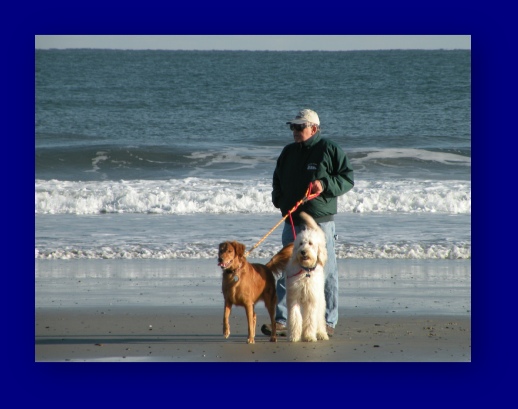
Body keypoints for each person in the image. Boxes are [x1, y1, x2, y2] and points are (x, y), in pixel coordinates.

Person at [261, 108, 354, 337]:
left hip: (320, 221)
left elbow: (347, 178)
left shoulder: (329, 149)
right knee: (286, 269)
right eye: (293, 126)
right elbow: (277, 179)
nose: (295, 130)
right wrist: (279, 199)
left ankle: (328, 322)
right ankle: (282, 320)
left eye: (299, 126)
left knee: (327, 270)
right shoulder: (288, 152)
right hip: (291, 219)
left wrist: (324, 184)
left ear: (313, 128)